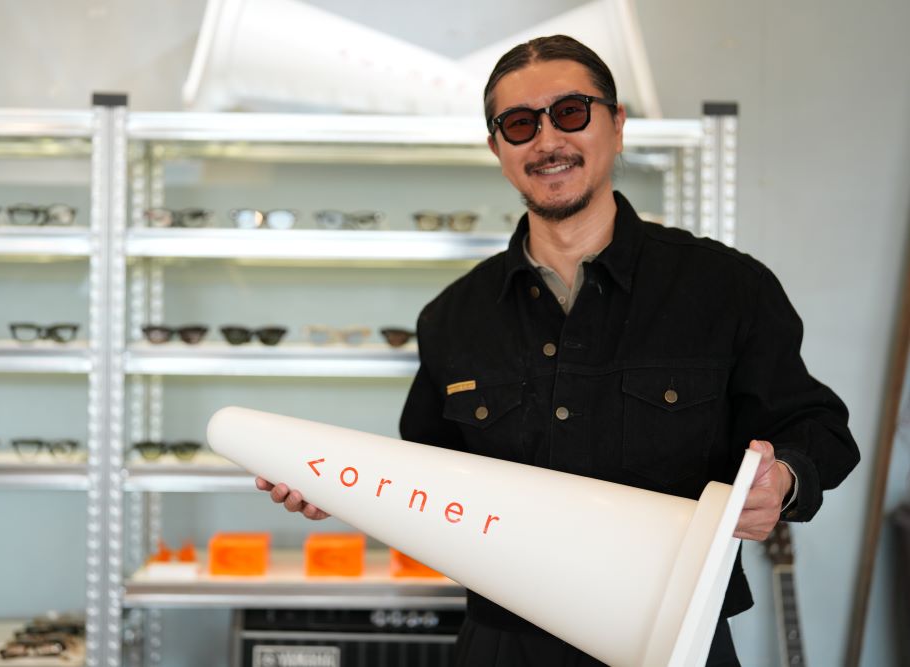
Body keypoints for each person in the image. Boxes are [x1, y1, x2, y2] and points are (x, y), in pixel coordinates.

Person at [257, 34, 860, 667]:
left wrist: (783, 480)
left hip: (671, 636)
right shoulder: (453, 316)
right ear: (497, 149)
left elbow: (817, 426)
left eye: (570, 113)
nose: (547, 141)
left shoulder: (726, 287)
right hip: (502, 642)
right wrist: (336, 487)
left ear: (616, 125)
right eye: (520, 124)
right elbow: (423, 481)